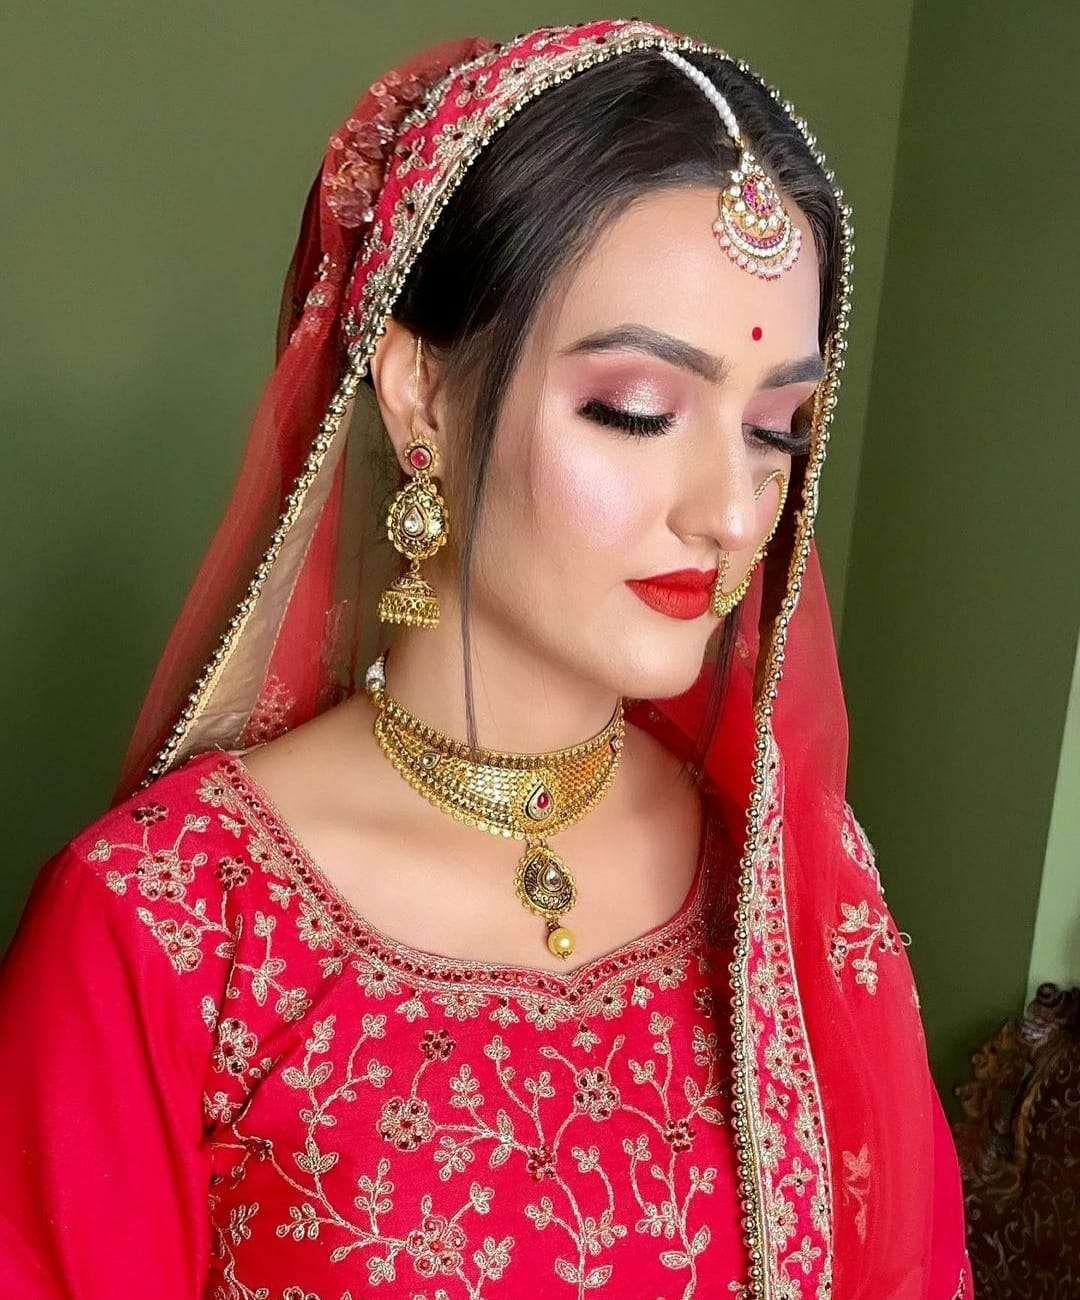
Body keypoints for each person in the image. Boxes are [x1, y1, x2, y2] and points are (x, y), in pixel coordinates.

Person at [0, 17, 974, 1298]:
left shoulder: (786, 879)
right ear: (419, 389)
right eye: (635, 410)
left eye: (778, 430)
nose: (733, 513)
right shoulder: (170, 929)